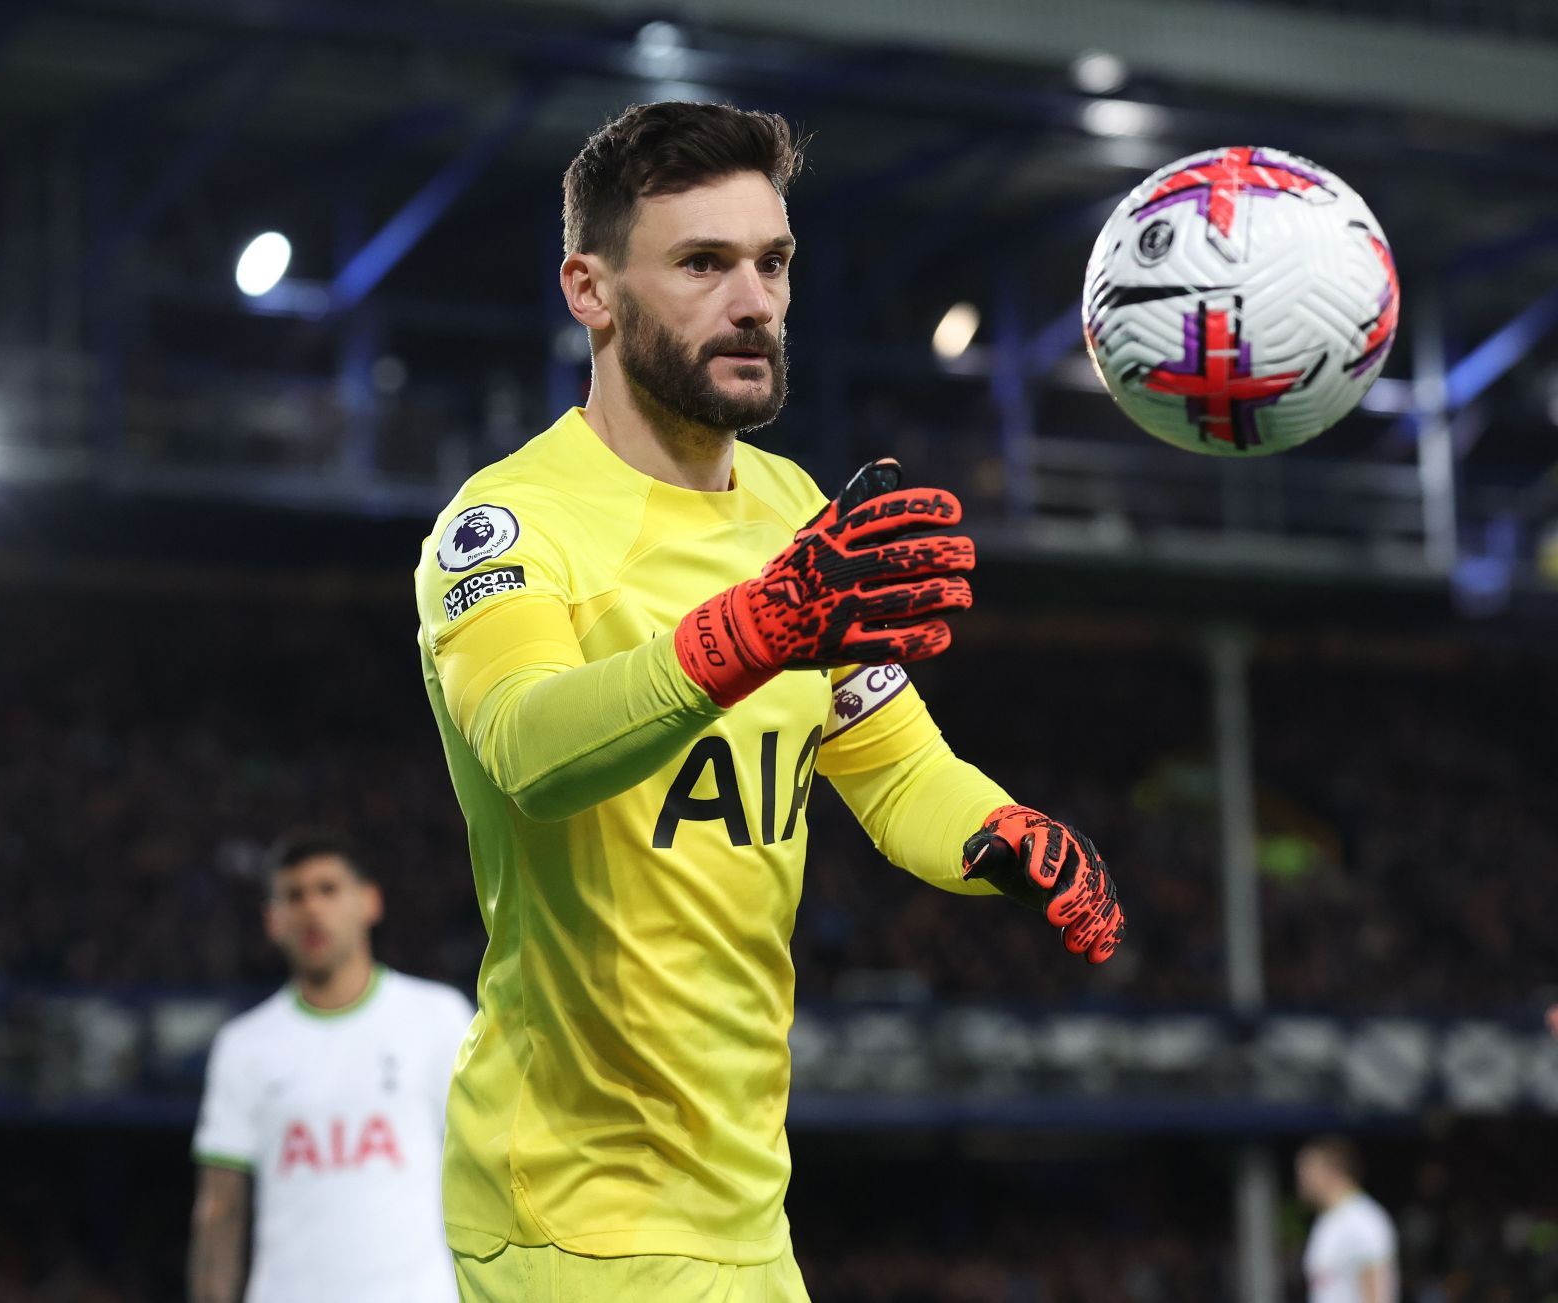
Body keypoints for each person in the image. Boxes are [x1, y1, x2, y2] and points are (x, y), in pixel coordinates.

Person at [412, 101, 1126, 1302]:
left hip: (742, 1204)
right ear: (590, 290)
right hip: (576, 1206)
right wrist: (752, 632)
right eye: (702, 263)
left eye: (773, 262)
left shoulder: (796, 511)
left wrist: (997, 834)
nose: (754, 301)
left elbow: (893, 765)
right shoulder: (510, 523)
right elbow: (531, 748)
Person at [188, 834, 474, 1303]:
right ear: (272, 920)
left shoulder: (439, 1017)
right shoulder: (244, 1047)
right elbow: (221, 1210)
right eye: (294, 895)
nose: (312, 909)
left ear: (369, 901)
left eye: (328, 889)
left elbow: (483, 1171)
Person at [1297, 1136, 1400, 1303]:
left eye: (1306, 1171)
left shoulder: (1363, 1220)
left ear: (1331, 1171)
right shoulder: (1327, 1220)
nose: (1301, 1181)